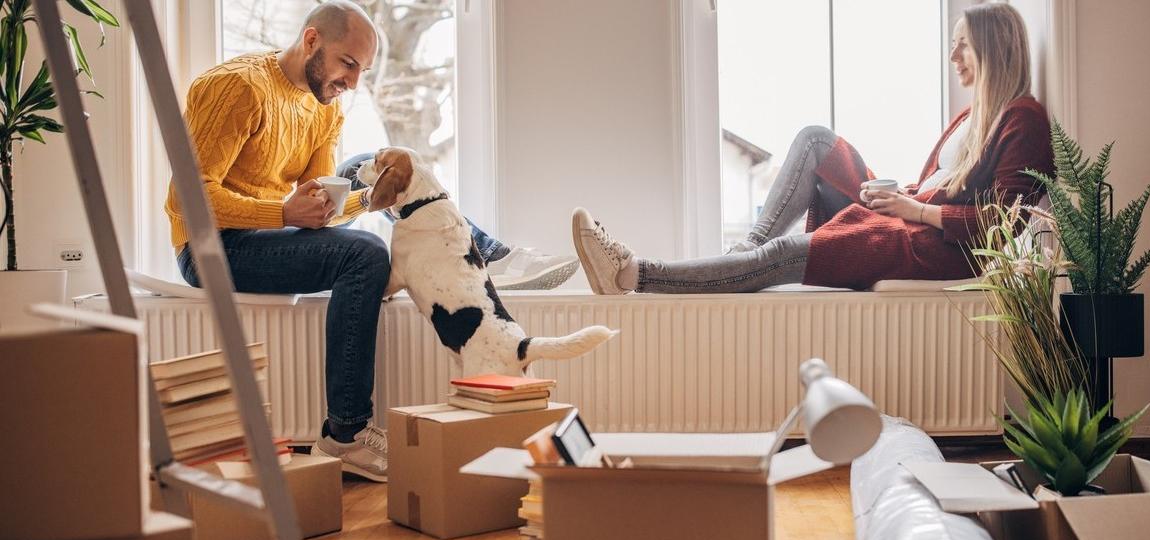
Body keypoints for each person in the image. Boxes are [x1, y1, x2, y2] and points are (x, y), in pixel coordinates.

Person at [167, 1, 574, 481]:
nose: (353, 82)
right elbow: (186, 198)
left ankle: (486, 252)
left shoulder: (323, 105)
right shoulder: (236, 88)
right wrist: (281, 211)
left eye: (362, 70)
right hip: (214, 246)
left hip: (272, 231)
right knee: (365, 254)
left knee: (375, 160)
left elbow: (321, 194)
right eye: (348, 64)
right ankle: (346, 434)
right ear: (312, 40)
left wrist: (345, 201)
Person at [570, 2, 1053, 295]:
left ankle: (633, 273)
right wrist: (898, 197)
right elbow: (934, 187)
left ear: (994, 49)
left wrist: (912, 210)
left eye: (963, 46)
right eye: (952, 45)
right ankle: (746, 252)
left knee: (777, 257)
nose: (953, 58)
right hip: (904, 217)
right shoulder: (970, 118)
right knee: (817, 139)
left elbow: (1005, 225)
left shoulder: (1022, 119)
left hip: (925, 245)